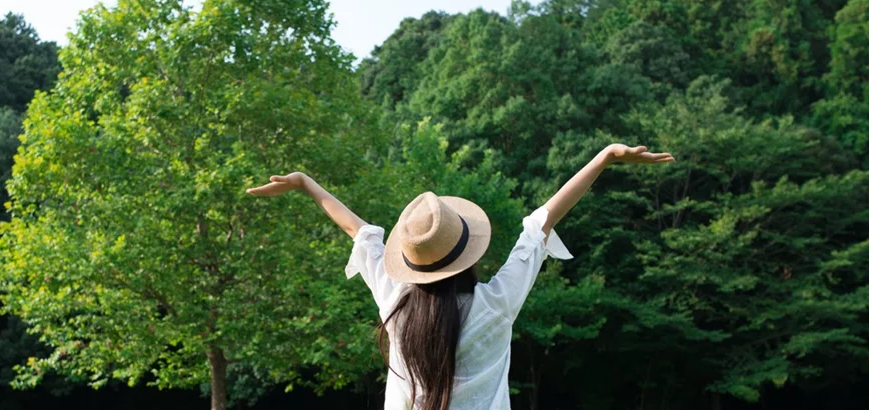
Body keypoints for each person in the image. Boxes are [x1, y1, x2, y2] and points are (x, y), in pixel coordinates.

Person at [247, 143, 674, 410]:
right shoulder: (495, 305)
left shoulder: (395, 301)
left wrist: (308, 184)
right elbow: (540, 224)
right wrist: (603, 158)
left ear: (411, 260)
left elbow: (358, 232)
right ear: (467, 254)